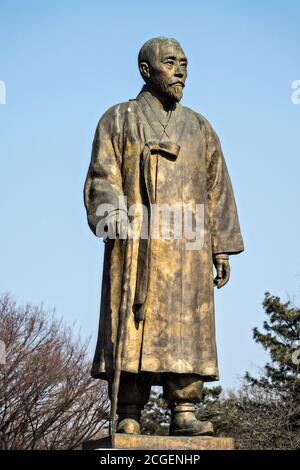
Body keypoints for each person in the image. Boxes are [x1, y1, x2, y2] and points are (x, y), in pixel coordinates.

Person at [84, 37, 244, 436]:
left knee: (188, 326)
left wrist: (221, 247)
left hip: (188, 249)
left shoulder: (200, 128)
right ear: (146, 70)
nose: (180, 71)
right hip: (136, 243)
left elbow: (217, 189)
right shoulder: (118, 119)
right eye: (171, 63)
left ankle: (184, 409)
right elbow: (102, 177)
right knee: (131, 328)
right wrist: (113, 216)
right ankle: (129, 411)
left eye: (185, 64)